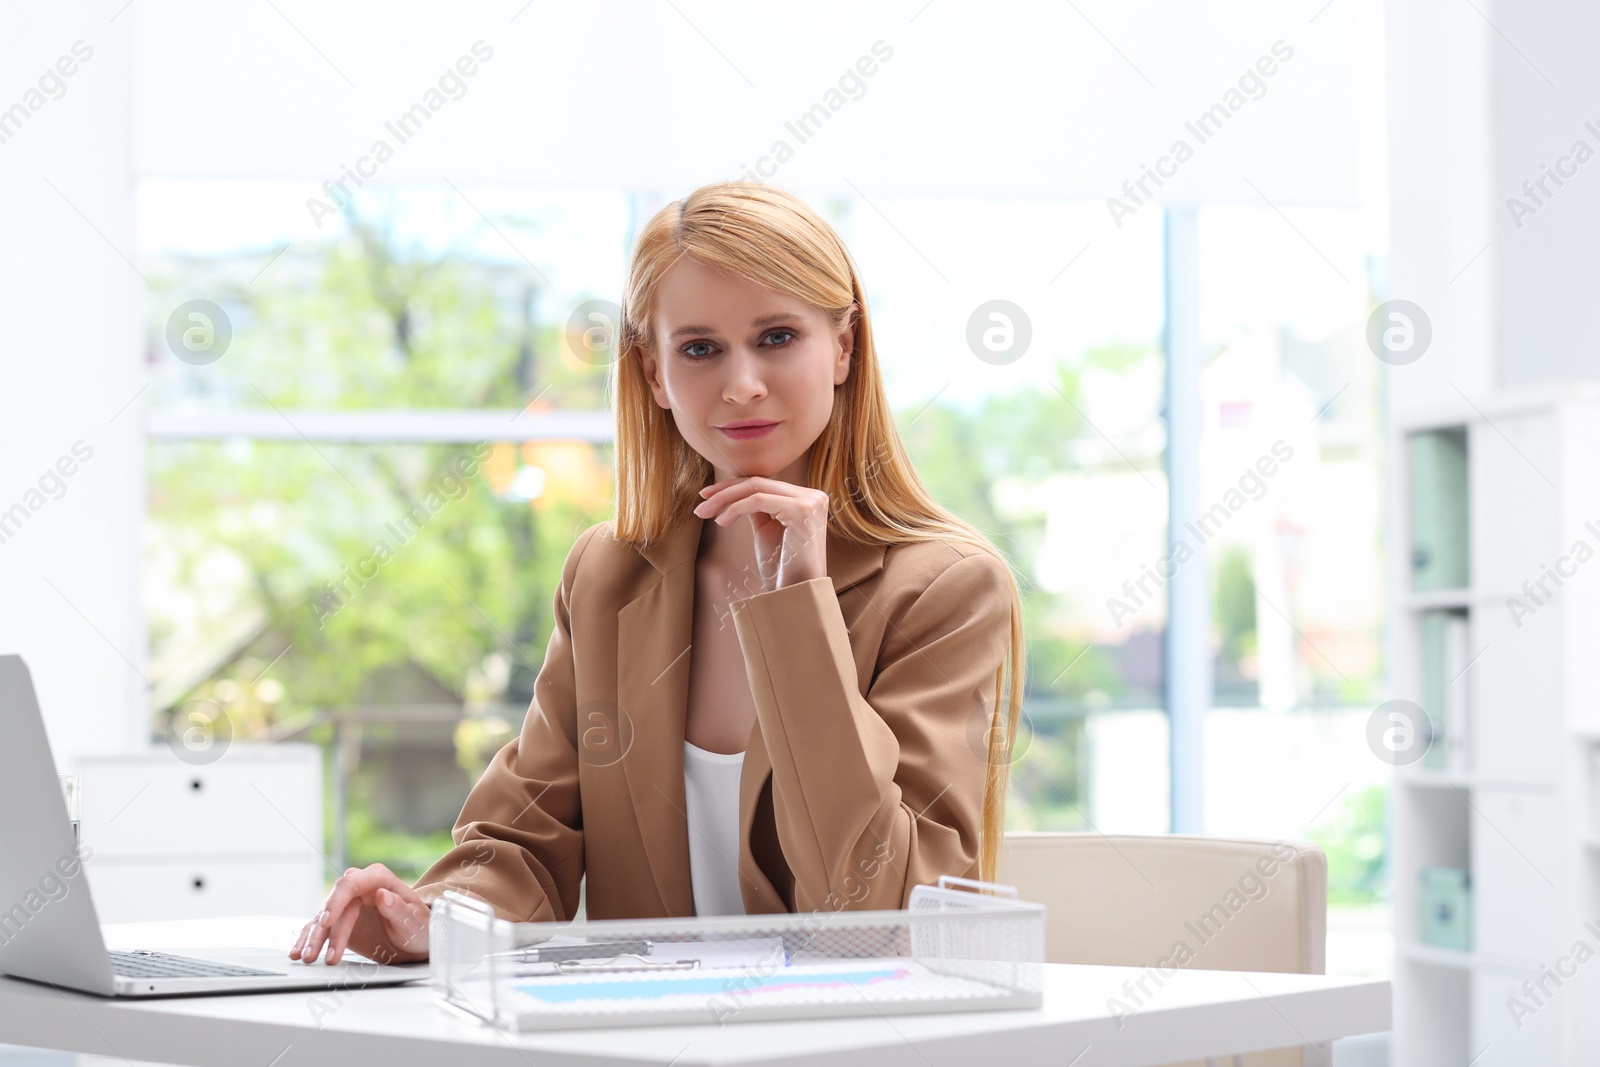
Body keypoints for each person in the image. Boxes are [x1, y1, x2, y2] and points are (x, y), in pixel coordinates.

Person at [289, 181, 1026, 967]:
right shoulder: (608, 576)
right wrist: (431, 918)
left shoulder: (946, 587)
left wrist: (798, 616)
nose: (741, 382)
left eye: (777, 336)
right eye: (700, 348)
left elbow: (881, 915)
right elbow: (525, 840)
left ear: (844, 347)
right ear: (651, 372)